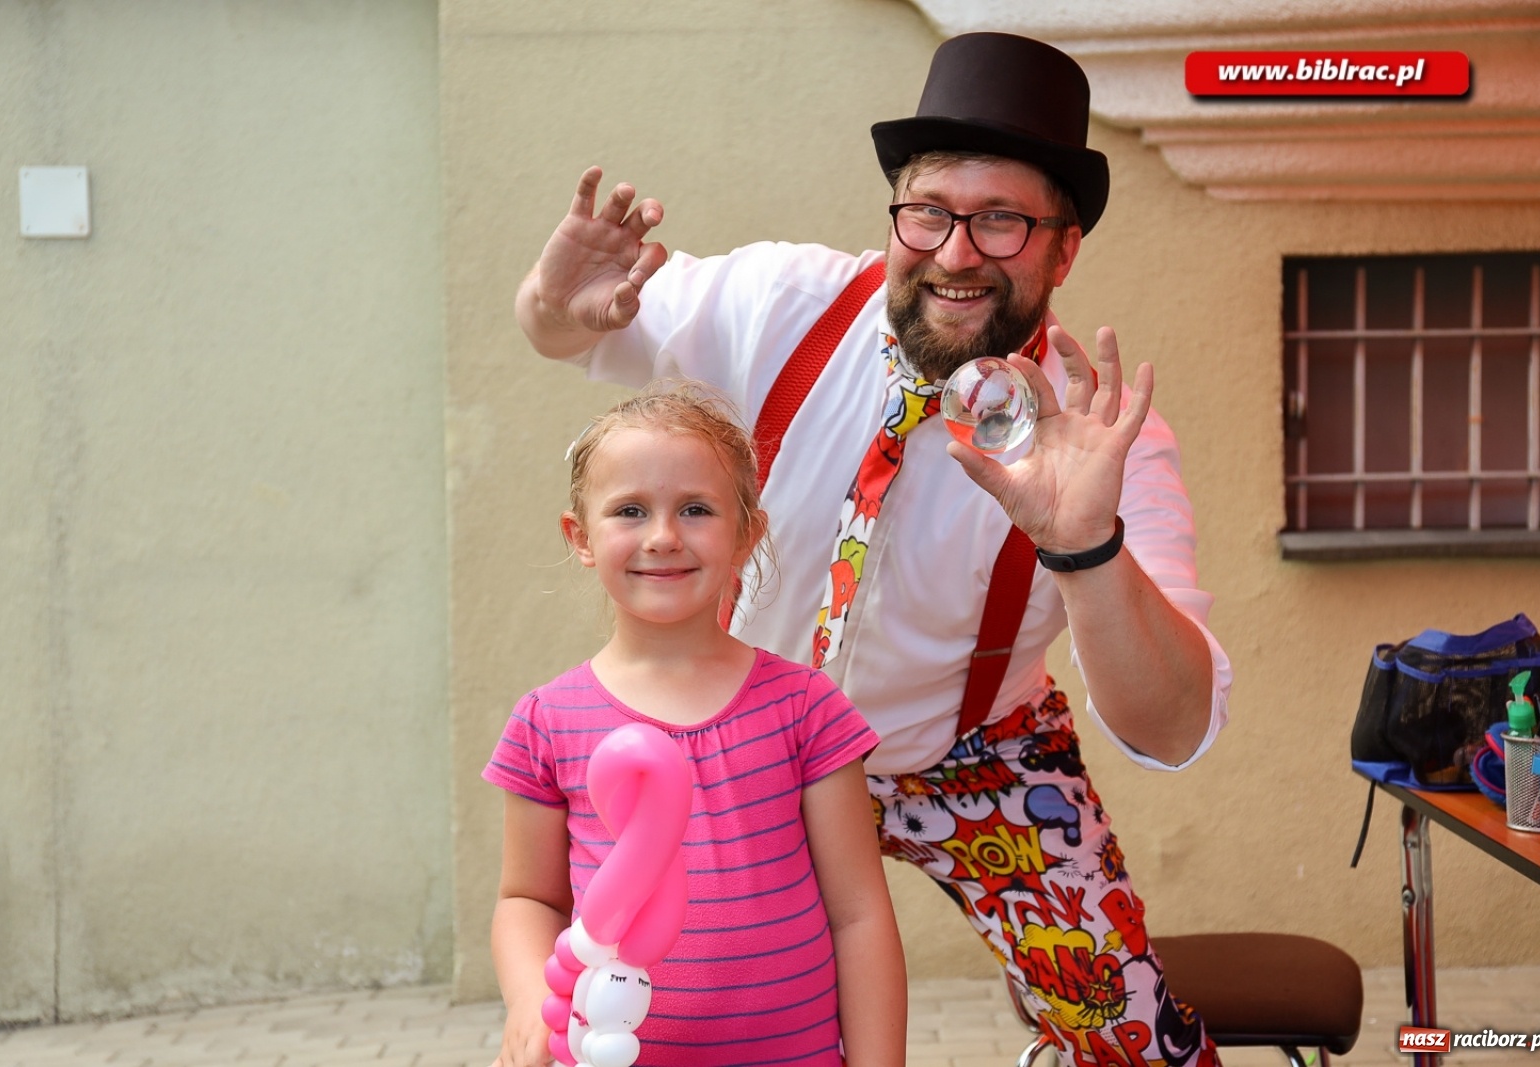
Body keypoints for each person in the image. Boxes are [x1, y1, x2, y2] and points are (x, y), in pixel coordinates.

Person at [512, 31, 1233, 1067]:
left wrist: (1086, 548)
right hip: (746, 742)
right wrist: (550, 303)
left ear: (1063, 249)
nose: (955, 251)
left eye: (1002, 221)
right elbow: (569, 330)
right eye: (931, 210)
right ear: (896, 214)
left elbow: (1172, 726)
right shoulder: (777, 303)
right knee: (637, 1009)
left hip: (975, 754)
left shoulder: (1108, 437)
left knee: (1136, 1040)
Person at [484, 385, 908, 1067]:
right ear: (581, 537)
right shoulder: (545, 722)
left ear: (746, 533)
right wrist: (528, 997)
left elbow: (857, 915)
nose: (662, 536)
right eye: (629, 509)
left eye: (696, 509)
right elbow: (527, 896)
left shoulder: (804, 708)